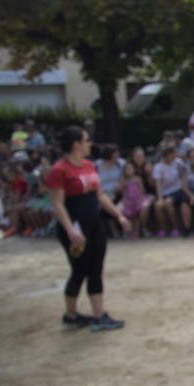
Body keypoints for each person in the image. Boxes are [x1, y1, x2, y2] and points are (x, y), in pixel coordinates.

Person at [44, 126, 129, 332]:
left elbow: (99, 196)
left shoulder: (90, 166)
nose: (89, 144)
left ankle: (98, 315)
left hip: (94, 223)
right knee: (80, 269)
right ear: (76, 145)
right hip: (74, 227)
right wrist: (70, 231)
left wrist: (118, 215)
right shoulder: (59, 170)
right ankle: (71, 315)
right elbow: (58, 204)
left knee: (96, 268)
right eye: (86, 140)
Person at [152, 145, 185, 238]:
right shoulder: (158, 167)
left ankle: (176, 228)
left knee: (168, 203)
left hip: (177, 190)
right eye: (173, 153)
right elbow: (158, 184)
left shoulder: (178, 162)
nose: (175, 155)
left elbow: (183, 177)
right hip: (164, 192)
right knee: (158, 206)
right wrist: (160, 198)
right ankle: (163, 229)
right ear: (167, 155)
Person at [118, 161, 149, 239]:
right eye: (127, 169)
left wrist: (140, 201)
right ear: (124, 171)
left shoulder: (137, 179)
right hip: (129, 201)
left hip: (138, 200)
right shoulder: (124, 181)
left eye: (131, 168)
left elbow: (142, 191)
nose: (129, 170)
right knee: (130, 216)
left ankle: (136, 232)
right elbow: (124, 194)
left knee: (136, 217)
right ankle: (128, 231)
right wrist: (125, 202)